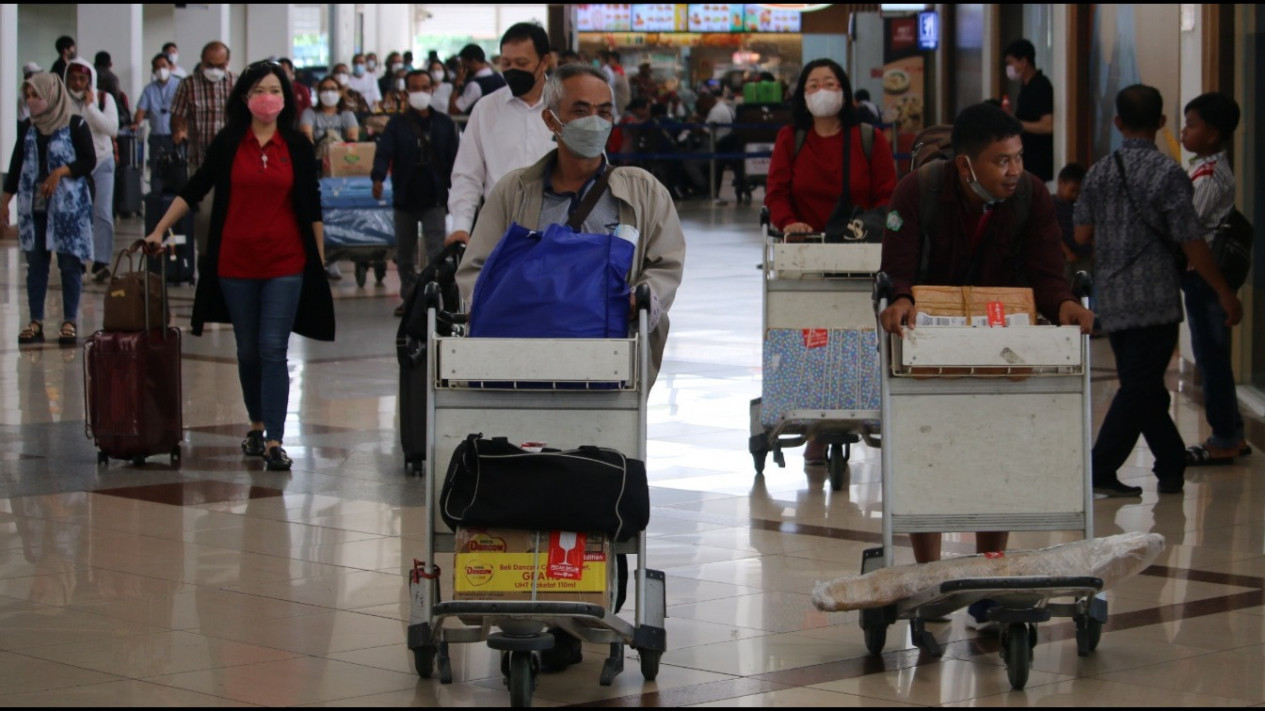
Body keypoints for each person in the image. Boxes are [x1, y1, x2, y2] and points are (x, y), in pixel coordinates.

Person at [878, 103, 1095, 592]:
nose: (1014, 170)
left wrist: (1066, 305)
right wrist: (901, 299)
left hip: (1002, 348)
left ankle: (989, 571)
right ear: (965, 165)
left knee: (998, 456)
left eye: (1018, 157)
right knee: (926, 453)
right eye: (1002, 161)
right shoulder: (916, 192)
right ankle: (928, 575)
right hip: (929, 350)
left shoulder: (1032, 196)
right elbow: (897, 273)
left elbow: (1047, 275)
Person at [142, 60, 335, 472]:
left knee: (273, 348)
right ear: (245, 98)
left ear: (286, 98)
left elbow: (312, 204)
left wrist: (318, 259)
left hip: (286, 261)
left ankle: (275, 440)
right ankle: (257, 424)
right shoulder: (229, 142)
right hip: (235, 263)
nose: (268, 98)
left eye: (276, 90)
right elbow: (195, 188)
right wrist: (159, 229)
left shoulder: (297, 145)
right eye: (260, 91)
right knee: (248, 350)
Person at [455, 59, 685, 386]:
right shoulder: (515, 191)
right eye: (580, 110)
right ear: (551, 119)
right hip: (522, 365)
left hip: (610, 365)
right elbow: (476, 269)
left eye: (604, 112)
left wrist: (643, 298)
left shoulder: (643, 192)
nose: (595, 121)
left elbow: (666, 264)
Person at [1074, 85, 1241, 497]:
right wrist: (1224, 291)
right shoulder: (1169, 174)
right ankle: (1100, 469)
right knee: (1140, 387)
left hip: (1114, 298)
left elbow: (1081, 234)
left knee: (1141, 384)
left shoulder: (1099, 171)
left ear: (1118, 122)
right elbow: (1191, 241)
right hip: (1156, 300)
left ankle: (1170, 465)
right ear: (1161, 121)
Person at [765, 58, 897, 462]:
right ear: (802, 95)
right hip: (804, 254)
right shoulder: (791, 139)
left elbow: (888, 196)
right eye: (813, 84)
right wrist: (789, 223)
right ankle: (814, 426)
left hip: (860, 255)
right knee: (810, 338)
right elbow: (776, 192)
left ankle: (865, 408)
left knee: (858, 337)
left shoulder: (869, 139)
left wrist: (870, 228)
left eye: (830, 82)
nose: (822, 90)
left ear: (843, 90)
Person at [1178, 92, 1248, 467]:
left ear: (1213, 133)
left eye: (1191, 125)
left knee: (1211, 360)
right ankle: (1233, 430)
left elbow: (1188, 232)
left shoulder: (1210, 177)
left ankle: (1224, 438)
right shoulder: (1206, 167)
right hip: (1204, 280)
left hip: (1206, 279)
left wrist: (1223, 292)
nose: (1184, 132)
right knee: (1213, 356)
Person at [1, 73, 96, 346]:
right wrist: (4, 202)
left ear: (51, 96)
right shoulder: (28, 128)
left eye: (36, 96)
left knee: (69, 264)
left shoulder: (75, 124)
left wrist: (61, 172)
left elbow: (89, 161)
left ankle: (69, 321)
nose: (31, 101)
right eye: (28, 96)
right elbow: (16, 166)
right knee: (36, 264)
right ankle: (35, 321)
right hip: (35, 206)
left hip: (68, 208)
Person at [445, 23, 556, 247]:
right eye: (506, 63)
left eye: (521, 63)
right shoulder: (486, 109)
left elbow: (593, 168)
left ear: (544, 61)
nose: (512, 70)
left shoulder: (567, 107)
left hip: (556, 231)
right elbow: (467, 175)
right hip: (500, 232)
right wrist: (461, 226)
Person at [371, 70, 460, 316]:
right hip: (405, 197)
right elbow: (383, 153)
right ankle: (410, 298)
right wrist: (378, 178)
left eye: (424, 87)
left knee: (435, 251)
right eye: (414, 88)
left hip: (434, 197)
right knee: (405, 253)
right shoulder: (397, 124)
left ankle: (434, 297)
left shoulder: (444, 124)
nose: (420, 92)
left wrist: (457, 190)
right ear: (406, 92)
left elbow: (456, 160)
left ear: (432, 89)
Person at [171, 41, 236, 263]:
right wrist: (179, 131)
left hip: (233, 164)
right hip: (201, 163)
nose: (215, 70)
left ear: (227, 63)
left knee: (231, 214)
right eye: (210, 65)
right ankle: (206, 259)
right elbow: (178, 115)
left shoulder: (236, 84)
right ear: (202, 61)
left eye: (220, 65)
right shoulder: (188, 85)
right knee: (205, 217)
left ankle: (229, 260)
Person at [64, 59, 119, 283]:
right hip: (75, 165)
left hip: (102, 161)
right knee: (76, 214)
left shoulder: (104, 99)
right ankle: (78, 259)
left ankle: (101, 262)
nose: (77, 83)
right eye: (73, 78)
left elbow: (112, 128)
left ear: (90, 80)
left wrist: (90, 108)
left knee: (102, 212)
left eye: (82, 79)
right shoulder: (62, 101)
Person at [1003, 39, 1054, 182]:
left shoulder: (1041, 86)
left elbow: (1048, 125)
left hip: (1038, 161)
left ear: (1023, 62)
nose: (1009, 68)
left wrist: (1017, 123)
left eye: (1011, 63)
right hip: (1026, 159)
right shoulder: (1025, 87)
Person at [134, 53, 179, 164]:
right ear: (153, 71)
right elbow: (140, 111)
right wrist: (136, 123)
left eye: (164, 66)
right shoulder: (149, 89)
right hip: (156, 136)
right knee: (156, 168)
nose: (161, 70)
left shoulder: (180, 85)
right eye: (157, 67)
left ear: (170, 67)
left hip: (174, 135)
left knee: (175, 168)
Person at [1053, 162, 1090, 280]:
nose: (1076, 195)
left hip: (1083, 257)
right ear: (1061, 183)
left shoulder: (1080, 206)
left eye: (1079, 192)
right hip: (1064, 259)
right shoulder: (1050, 205)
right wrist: (1068, 252)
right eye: (1072, 190)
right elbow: (1052, 233)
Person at [300, 75, 360, 146]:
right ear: (319, 92)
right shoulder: (309, 113)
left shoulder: (347, 114)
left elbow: (353, 137)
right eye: (324, 89)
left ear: (340, 93)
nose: (329, 93)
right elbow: (307, 136)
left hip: (341, 151)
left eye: (333, 89)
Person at [449, 44, 506, 115]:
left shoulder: (474, 85)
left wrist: (457, 85)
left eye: (464, 64)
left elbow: (454, 110)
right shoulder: (501, 77)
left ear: (473, 62)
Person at [93, 52, 130, 128]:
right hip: (108, 113)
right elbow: (116, 98)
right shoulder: (112, 78)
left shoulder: (88, 76)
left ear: (94, 64)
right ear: (110, 64)